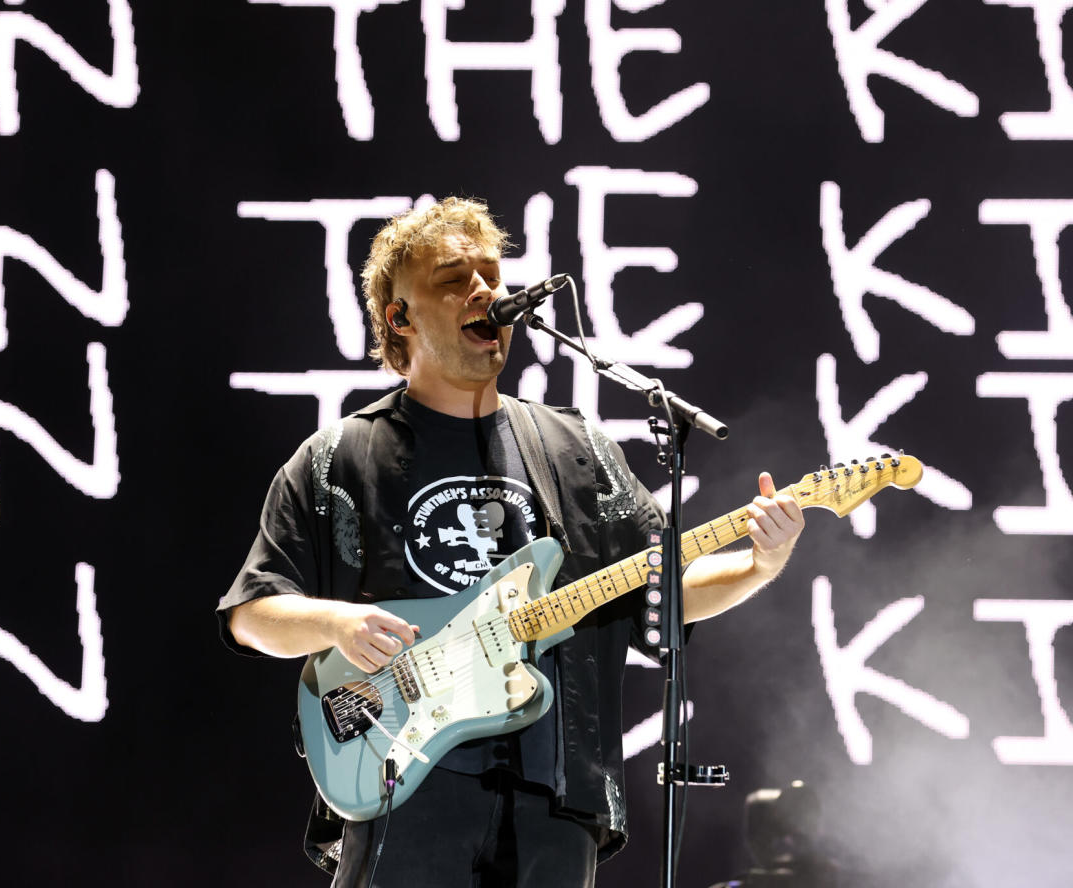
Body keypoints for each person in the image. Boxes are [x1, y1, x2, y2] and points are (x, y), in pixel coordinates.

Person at [217, 197, 805, 887]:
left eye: (491, 276)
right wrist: (337, 623)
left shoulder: (576, 448)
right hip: (406, 786)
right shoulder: (340, 456)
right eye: (454, 278)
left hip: (556, 798)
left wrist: (760, 566)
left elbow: (653, 593)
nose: (484, 292)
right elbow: (252, 613)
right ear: (399, 318)